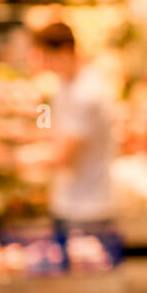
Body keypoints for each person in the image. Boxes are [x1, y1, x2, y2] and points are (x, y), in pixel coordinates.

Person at [27, 21, 122, 270]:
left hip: (90, 210)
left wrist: (17, 159)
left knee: (89, 288)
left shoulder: (88, 93)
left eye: (46, 57)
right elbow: (53, 130)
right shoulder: (64, 84)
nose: (44, 65)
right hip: (67, 202)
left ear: (65, 52)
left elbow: (64, 155)